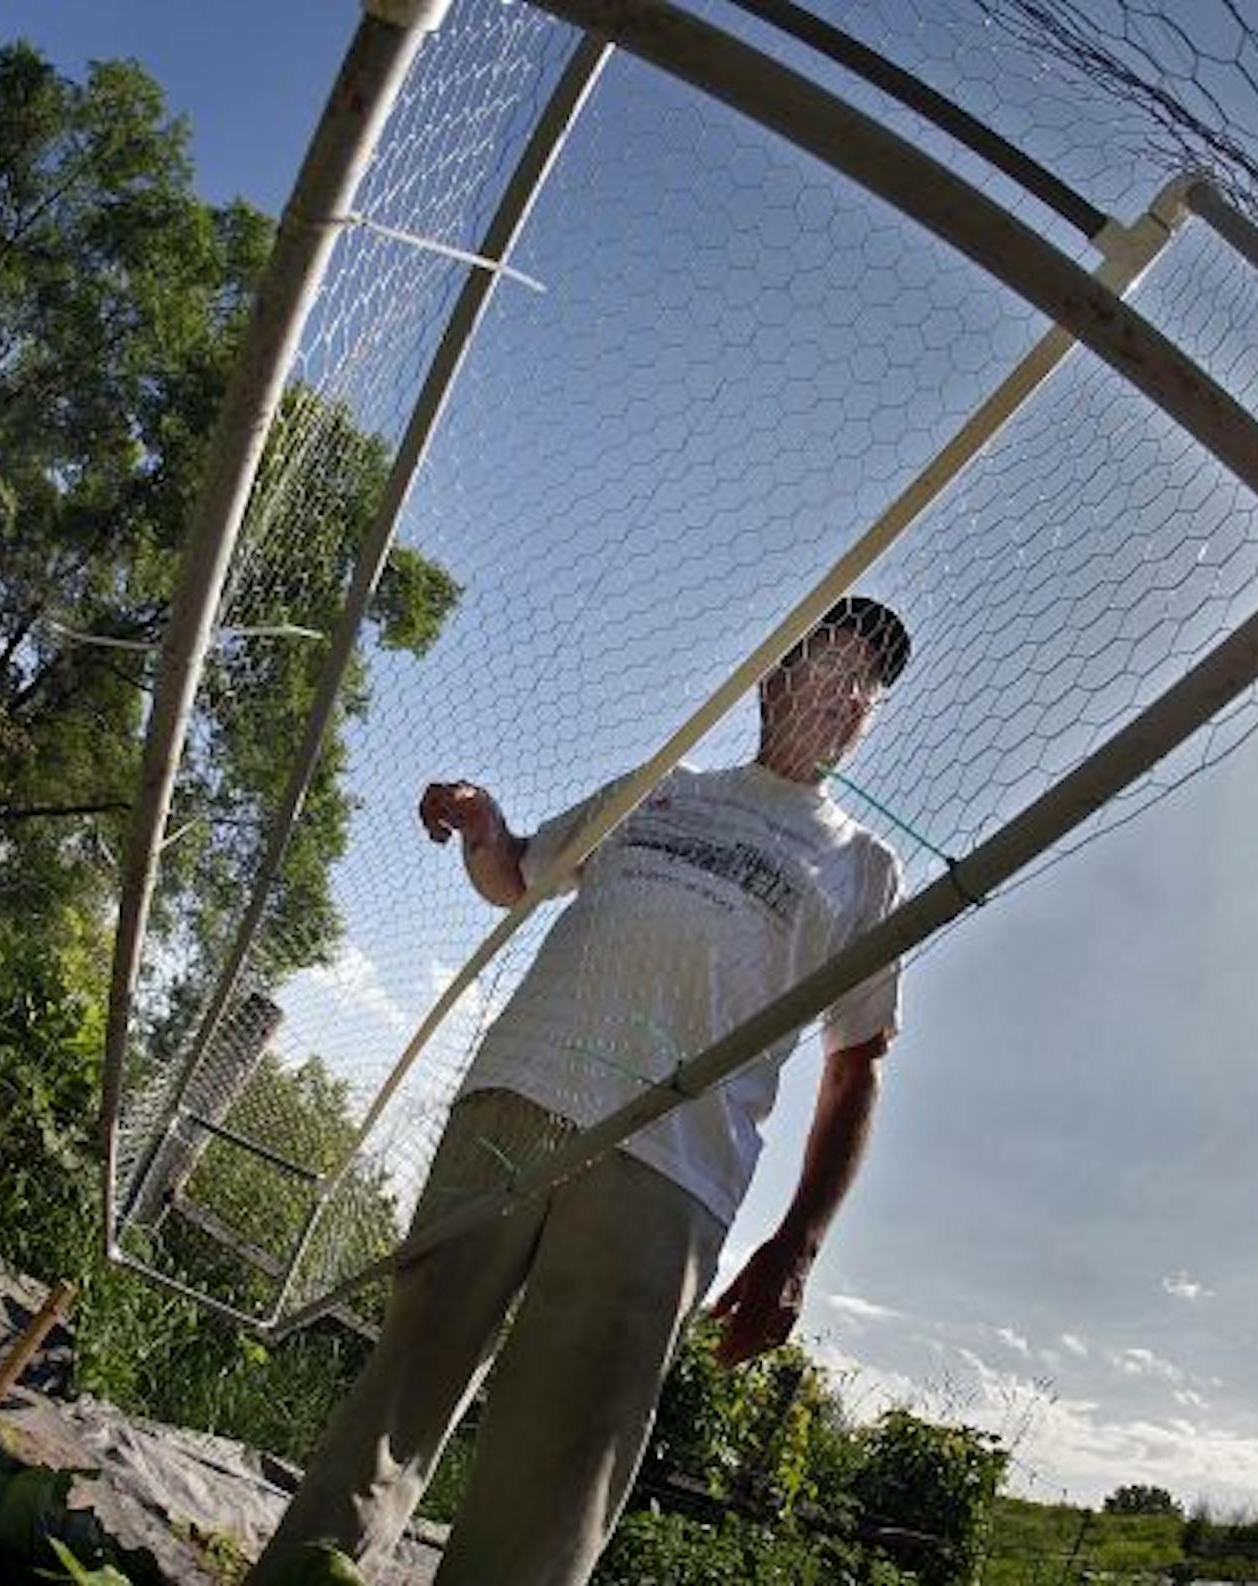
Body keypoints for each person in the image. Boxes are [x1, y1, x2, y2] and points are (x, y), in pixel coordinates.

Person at [248, 595, 913, 1586]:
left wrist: (797, 1242)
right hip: (517, 1091)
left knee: (564, 1457)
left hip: (669, 1162)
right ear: (775, 677)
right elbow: (516, 874)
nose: (847, 690)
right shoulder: (665, 782)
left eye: (869, 681)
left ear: (867, 718)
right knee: (404, 1379)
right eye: (832, 660)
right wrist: (483, 823)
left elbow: (856, 1059)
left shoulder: (864, 866)